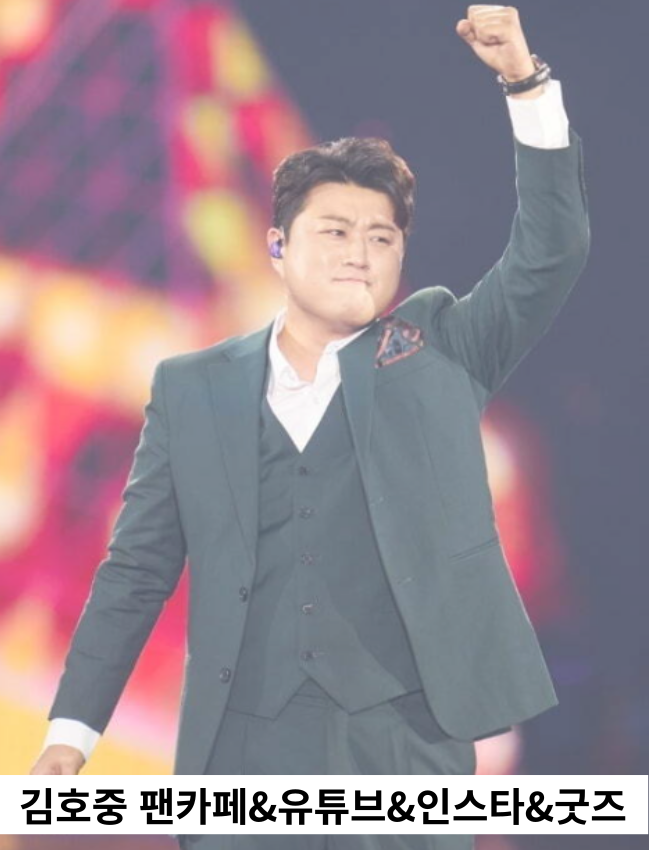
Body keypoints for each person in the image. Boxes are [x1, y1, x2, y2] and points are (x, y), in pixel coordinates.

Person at [30, 6, 590, 849]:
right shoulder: (188, 386)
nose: (357, 253)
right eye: (334, 232)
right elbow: (134, 575)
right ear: (277, 246)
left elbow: (552, 252)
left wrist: (526, 84)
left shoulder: (449, 372)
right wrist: (70, 737)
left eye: (380, 237)